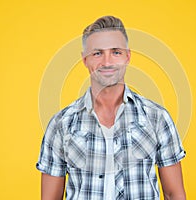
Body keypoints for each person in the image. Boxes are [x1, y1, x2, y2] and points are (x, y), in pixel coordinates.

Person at [36, 15, 186, 200]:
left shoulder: (157, 118)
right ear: (85, 60)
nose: (107, 62)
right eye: (97, 53)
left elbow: (174, 194)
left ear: (127, 56)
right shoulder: (61, 124)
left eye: (116, 52)